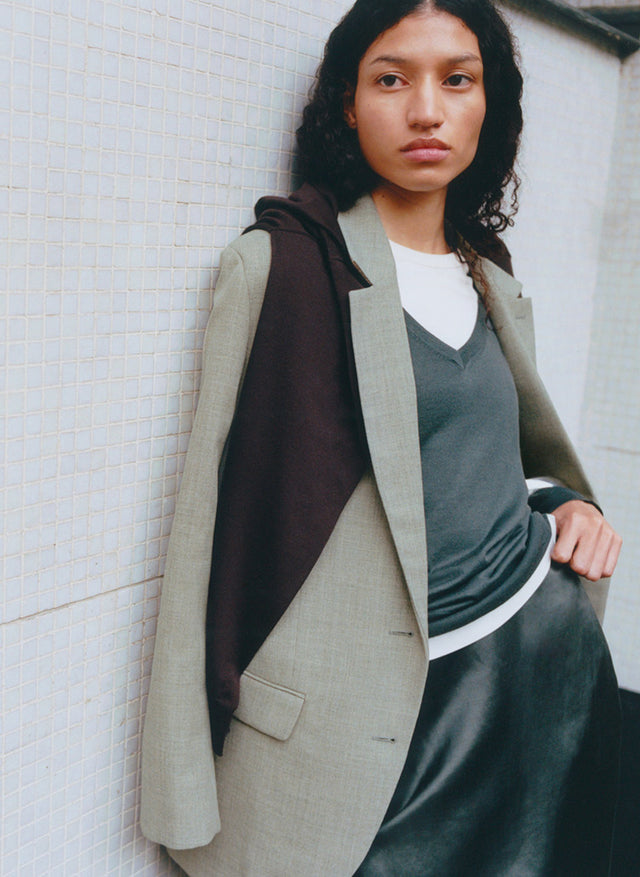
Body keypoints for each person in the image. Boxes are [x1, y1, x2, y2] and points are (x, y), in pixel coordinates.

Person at [140, 1, 623, 874]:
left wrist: (565, 503)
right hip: (371, 740)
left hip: (535, 693)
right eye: (392, 78)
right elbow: (205, 531)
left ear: (491, 106)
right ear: (349, 103)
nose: (426, 110)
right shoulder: (281, 265)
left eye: (458, 80)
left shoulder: (490, 274)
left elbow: (493, 455)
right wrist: (180, 784)